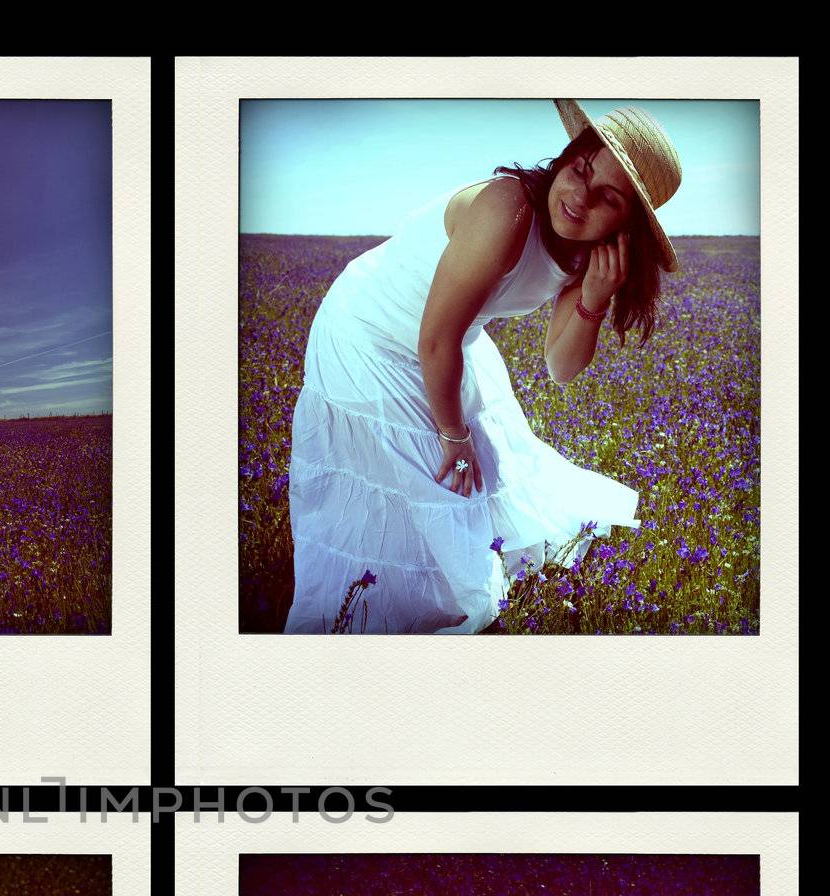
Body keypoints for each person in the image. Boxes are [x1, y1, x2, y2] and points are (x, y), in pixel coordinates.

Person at [283, 101, 682, 634]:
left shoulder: (587, 255)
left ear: (625, 224)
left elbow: (560, 366)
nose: (579, 196)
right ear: (565, 160)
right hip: (373, 333)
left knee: (473, 489)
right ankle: (365, 618)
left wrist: (593, 299)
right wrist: (453, 432)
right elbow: (435, 339)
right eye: (581, 170)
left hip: (447, 338)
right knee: (436, 480)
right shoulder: (508, 207)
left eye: (607, 196)